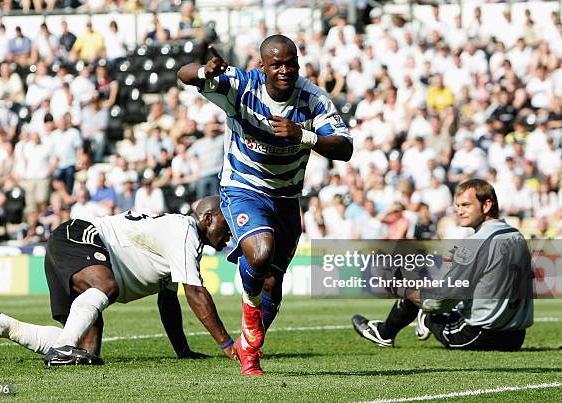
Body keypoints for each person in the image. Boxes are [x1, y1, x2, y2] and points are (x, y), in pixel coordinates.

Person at [178, 35, 353, 376]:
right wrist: (203, 70)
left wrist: (303, 135)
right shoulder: (241, 85)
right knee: (260, 253)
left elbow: (345, 148)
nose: (285, 70)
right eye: (277, 64)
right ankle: (249, 315)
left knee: (273, 283)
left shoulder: (313, 99)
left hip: (287, 197)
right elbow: (184, 75)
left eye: (291, 63)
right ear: (263, 67)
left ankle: (250, 347)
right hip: (243, 187)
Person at [0, 196, 237, 365]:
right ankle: (63, 348)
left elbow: (168, 300)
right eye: (228, 225)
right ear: (208, 218)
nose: (231, 234)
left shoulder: (183, 239)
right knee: (106, 286)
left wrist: (183, 351)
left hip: (74, 246)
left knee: (87, 352)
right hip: (80, 235)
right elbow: (194, 292)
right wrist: (228, 346)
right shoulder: (184, 230)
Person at [352, 179, 534, 351]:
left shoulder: (475, 243)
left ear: (486, 205)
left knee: (414, 289)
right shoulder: (517, 237)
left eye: (466, 205)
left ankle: (387, 332)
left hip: (479, 335)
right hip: (516, 337)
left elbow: (440, 302)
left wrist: (402, 290)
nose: (460, 211)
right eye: (457, 206)